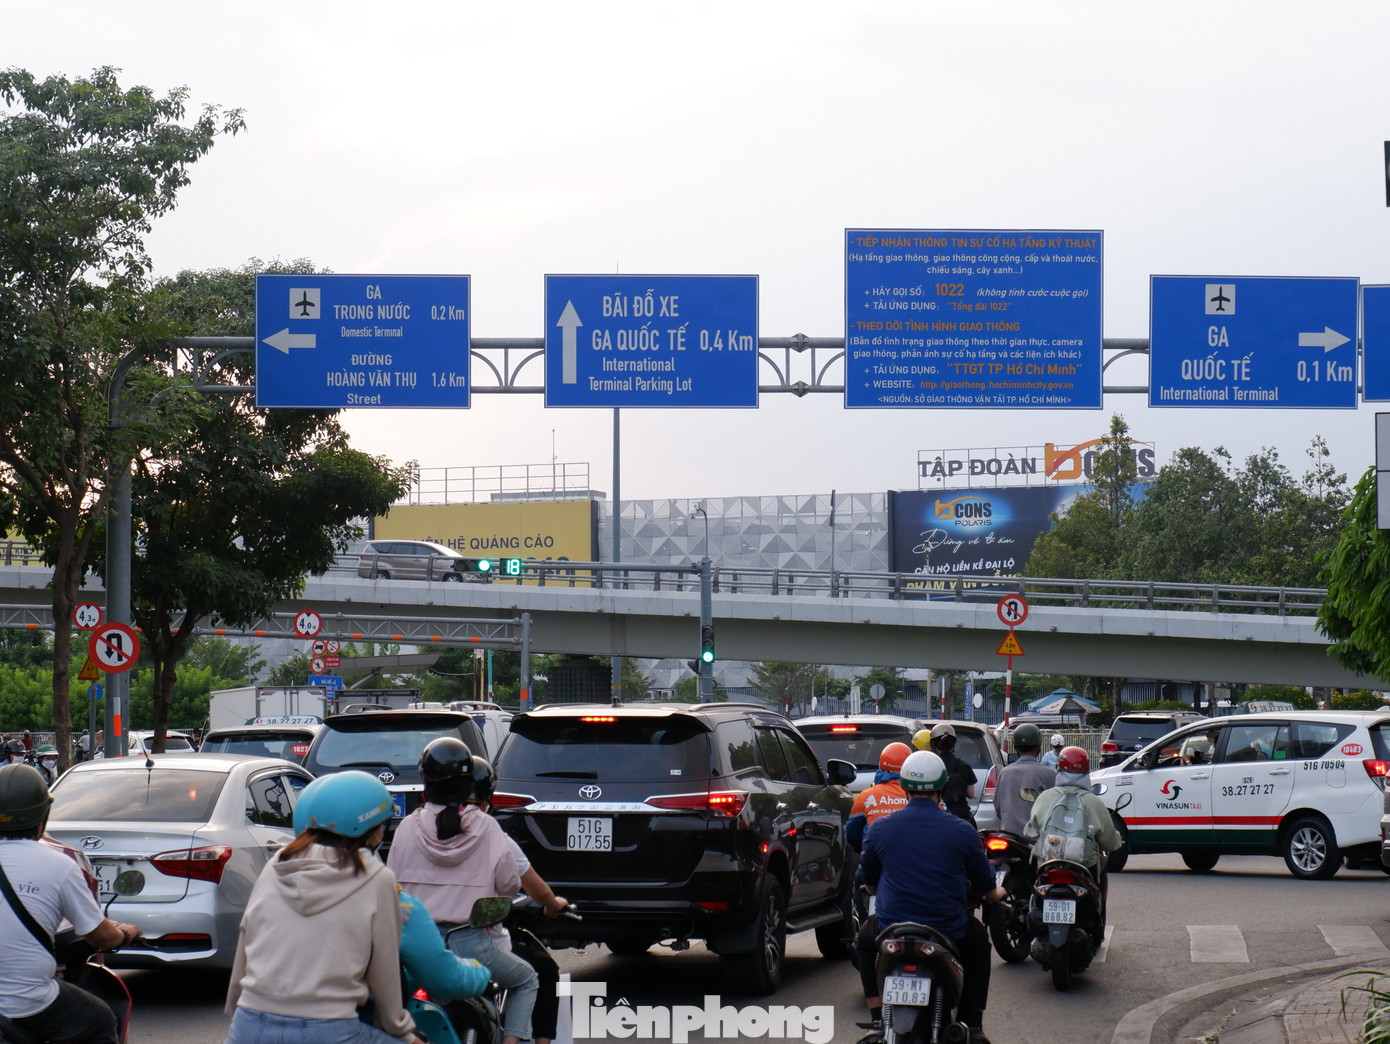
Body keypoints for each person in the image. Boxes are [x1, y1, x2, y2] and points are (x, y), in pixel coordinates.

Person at [225, 770, 423, 1044]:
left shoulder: (278, 864)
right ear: (371, 830)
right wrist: (402, 1032)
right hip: (329, 1029)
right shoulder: (377, 878)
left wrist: (239, 1009)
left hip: (250, 1023)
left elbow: (247, 938)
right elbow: (384, 974)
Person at [387, 739, 539, 1044]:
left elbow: (391, 887)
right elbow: (509, 886)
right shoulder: (487, 827)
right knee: (527, 980)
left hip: (413, 949)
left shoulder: (406, 827)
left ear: (424, 782)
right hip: (472, 946)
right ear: (468, 785)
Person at [856, 750, 1004, 1044]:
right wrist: (996, 893)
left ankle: (876, 1019)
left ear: (904, 785)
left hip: (891, 928)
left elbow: (868, 880)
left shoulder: (880, 828)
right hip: (947, 928)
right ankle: (972, 1024)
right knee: (979, 944)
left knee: (862, 942)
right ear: (943, 786)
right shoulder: (961, 830)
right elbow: (986, 885)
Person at [0, 763, 142, 1044]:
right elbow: (100, 936)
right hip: (27, 1002)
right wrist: (126, 933)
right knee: (102, 1020)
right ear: (43, 816)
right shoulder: (59, 866)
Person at [1023, 746, 1123, 907]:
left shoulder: (1045, 797)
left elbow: (1031, 831)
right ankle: (1099, 918)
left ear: (1059, 769)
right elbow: (1110, 842)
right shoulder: (1094, 802)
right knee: (1101, 872)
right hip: (1084, 867)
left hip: (1047, 865)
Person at [846, 741, 912, 850]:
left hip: (875, 857)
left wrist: (865, 850)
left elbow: (852, 833)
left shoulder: (866, 796)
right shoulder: (922, 797)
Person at [993, 724, 1056, 835]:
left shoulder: (1004, 773)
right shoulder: (1049, 774)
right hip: (1037, 840)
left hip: (1008, 837)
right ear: (1038, 746)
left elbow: (998, 807)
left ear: (1016, 747)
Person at [929, 723, 978, 825]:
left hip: (937, 818)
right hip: (962, 819)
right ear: (953, 744)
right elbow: (971, 793)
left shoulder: (930, 765)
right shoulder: (964, 765)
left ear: (933, 744)